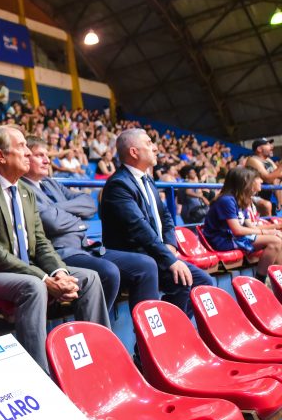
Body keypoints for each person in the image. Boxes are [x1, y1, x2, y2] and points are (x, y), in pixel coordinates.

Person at [0, 126, 109, 371]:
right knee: (34, 286)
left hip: (23, 269)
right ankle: (41, 375)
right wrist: (44, 278)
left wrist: (59, 273)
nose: (28, 153)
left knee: (89, 278)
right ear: (0, 156)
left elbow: (41, 242)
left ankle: (99, 362)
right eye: (21, 146)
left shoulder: (24, 191)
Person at [23, 136, 159, 314]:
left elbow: (89, 204)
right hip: (59, 253)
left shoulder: (50, 183)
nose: (47, 160)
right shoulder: (21, 188)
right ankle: (93, 327)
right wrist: (75, 217)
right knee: (108, 272)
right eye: (39, 155)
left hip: (85, 248)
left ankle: (144, 329)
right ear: (26, 157)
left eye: (47, 155)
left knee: (146, 265)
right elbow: (51, 222)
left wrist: (56, 209)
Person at [100, 129, 215, 316]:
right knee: (183, 282)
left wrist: (170, 245)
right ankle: (159, 332)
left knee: (204, 282)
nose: (155, 148)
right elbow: (139, 229)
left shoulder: (146, 179)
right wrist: (168, 258)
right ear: (134, 152)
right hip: (137, 257)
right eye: (148, 143)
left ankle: (173, 327)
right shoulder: (118, 185)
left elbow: (166, 216)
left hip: (155, 253)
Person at [202, 167, 282, 281]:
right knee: (275, 241)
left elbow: (252, 227)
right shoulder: (227, 200)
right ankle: (260, 280)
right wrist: (266, 232)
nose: (260, 181)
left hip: (233, 237)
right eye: (255, 179)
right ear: (245, 182)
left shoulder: (240, 199)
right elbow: (237, 230)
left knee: (278, 238)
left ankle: (278, 279)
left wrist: (275, 228)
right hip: (223, 240)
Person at [245, 138, 282, 213]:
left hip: (266, 197)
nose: (271, 147)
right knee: (266, 207)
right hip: (252, 197)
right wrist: (281, 166)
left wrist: (279, 200)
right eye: (268, 145)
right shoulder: (253, 160)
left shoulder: (268, 160)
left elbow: (278, 175)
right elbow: (268, 178)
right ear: (259, 149)